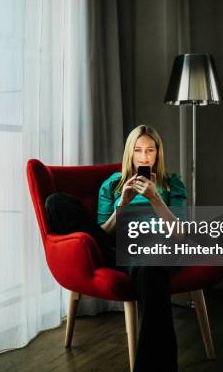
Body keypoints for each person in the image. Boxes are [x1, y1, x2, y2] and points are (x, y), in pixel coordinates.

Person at [45, 124, 187, 372]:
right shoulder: (112, 185)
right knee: (56, 202)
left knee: (151, 265)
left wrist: (155, 199)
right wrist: (122, 205)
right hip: (118, 248)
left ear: (158, 153)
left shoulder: (172, 184)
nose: (144, 157)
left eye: (150, 151)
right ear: (129, 154)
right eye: (138, 150)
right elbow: (103, 233)